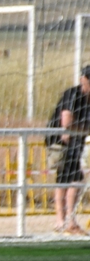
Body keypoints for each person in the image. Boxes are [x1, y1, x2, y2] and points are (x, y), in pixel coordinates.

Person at [46, 66, 90, 235]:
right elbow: (67, 123)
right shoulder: (73, 95)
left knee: (70, 178)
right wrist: (85, 129)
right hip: (60, 141)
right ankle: (65, 221)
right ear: (83, 80)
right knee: (70, 178)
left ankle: (65, 221)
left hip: (76, 141)